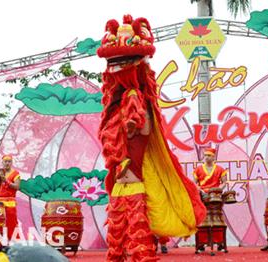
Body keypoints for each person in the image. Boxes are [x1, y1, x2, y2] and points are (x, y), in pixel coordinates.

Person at [96, 14, 206, 261]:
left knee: (139, 242)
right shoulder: (114, 106)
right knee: (117, 242)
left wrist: (131, 122)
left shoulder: (138, 99)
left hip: (135, 181)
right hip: (120, 185)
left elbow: (143, 130)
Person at [0, 155, 21, 242]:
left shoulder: (15, 173)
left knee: (11, 223)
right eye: (5, 161)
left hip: (9, 201)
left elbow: (16, 187)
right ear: (2, 162)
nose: (7, 163)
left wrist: (6, 181)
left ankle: (13, 241)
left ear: (11, 163)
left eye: (9, 161)